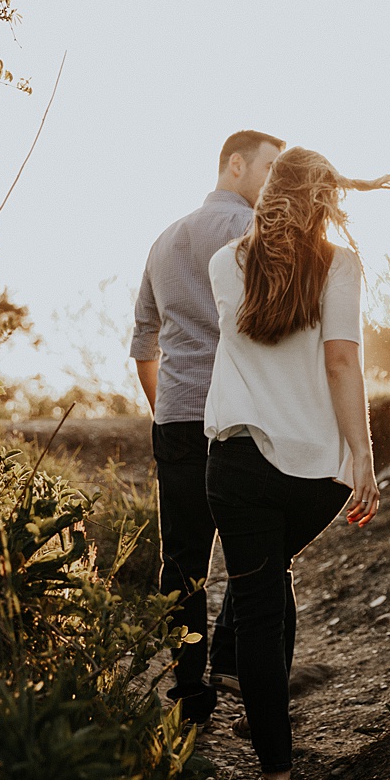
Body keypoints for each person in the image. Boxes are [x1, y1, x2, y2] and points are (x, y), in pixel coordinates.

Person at [204, 146, 390, 780]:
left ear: (269, 194)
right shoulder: (340, 265)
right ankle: (261, 712)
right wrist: (362, 456)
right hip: (316, 474)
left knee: (256, 601)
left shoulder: (221, 265)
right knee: (270, 585)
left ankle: (275, 775)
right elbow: (343, 364)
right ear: (325, 197)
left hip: (237, 464)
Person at [131, 129, 286, 728]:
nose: (276, 184)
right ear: (235, 165)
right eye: (270, 170)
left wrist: (164, 405)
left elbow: (144, 341)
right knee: (260, 554)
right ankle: (249, 679)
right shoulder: (255, 236)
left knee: (185, 559)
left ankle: (190, 690)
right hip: (241, 418)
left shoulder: (163, 240)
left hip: (176, 416)